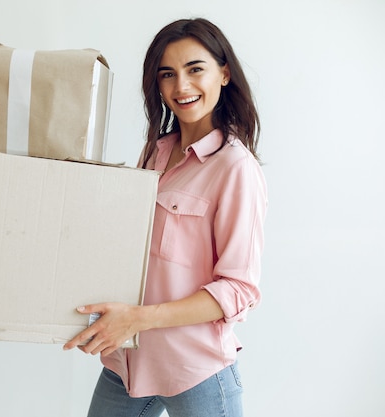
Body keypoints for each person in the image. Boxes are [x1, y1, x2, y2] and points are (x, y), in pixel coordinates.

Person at [63, 17, 267, 417]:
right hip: (128, 361)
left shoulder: (235, 168)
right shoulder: (155, 152)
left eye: (195, 69)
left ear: (224, 74)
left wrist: (137, 319)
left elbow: (239, 289)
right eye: (167, 74)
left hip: (195, 371)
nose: (182, 87)